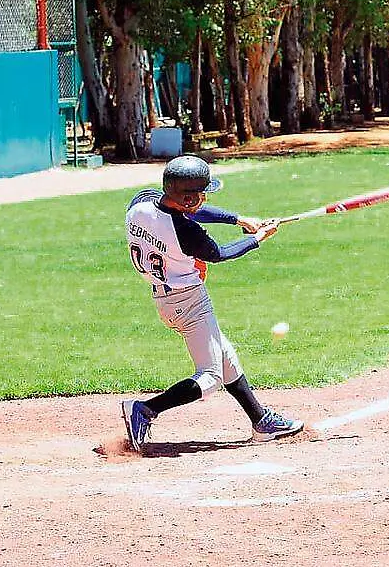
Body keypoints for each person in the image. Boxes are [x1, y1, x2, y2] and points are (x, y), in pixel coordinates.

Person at [120, 155, 304, 452]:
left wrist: (238, 219)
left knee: (224, 355)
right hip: (188, 301)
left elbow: (189, 211)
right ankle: (144, 409)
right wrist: (257, 238)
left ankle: (261, 421)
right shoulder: (187, 232)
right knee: (210, 375)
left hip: (165, 298)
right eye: (201, 194)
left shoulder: (141, 206)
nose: (205, 197)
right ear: (189, 199)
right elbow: (219, 253)